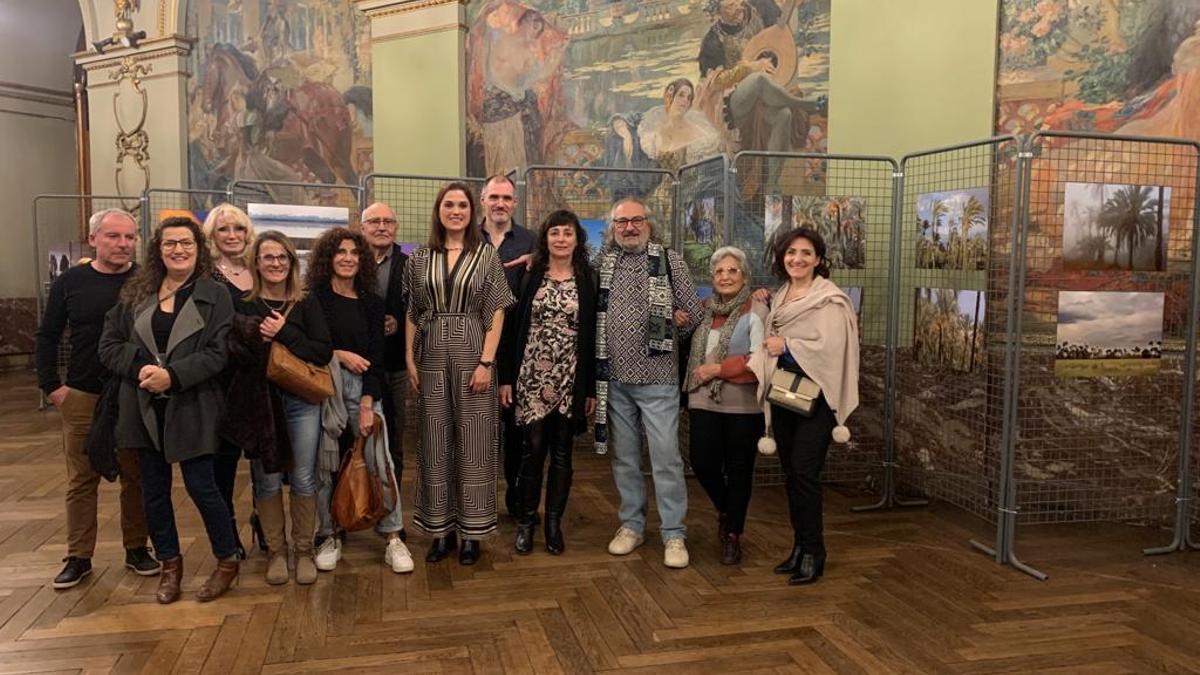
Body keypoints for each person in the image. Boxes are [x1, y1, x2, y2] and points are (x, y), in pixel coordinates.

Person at [98, 217, 238, 604]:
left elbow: (218, 352)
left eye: (187, 244)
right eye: (170, 243)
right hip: (142, 405)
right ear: (158, 250)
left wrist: (173, 377)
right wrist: (140, 368)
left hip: (191, 403)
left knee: (202, 487)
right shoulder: (136, 291)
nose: (179, 250)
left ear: (199, 249)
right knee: (153, 492)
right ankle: (170, 566)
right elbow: (108, 344)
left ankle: (227, 560)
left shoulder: (215, 295)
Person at [36, 208, 157, 589]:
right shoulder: (70, 281)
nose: (122, 244)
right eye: (113, 236)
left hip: (133, 394)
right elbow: (48, 335)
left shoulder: (146, 281)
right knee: (81, 480)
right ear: (93, 239)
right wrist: (52, 387)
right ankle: (79, 555)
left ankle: (137, 548)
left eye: (129, 237)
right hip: (83, 394)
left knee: (135, 476)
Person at [404, 182, 514, 566]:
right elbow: (413, 312)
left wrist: (486, 362)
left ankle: (473, 532)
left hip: (473, 352)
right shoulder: (419, 257)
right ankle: (440, 530)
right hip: (431, 352)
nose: (455, 211)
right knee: (434, 442)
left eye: (462, 205)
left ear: (472, 212)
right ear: (438, 210)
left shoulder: (485, 255)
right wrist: (409, 358)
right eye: (449, 204)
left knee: (476, 443)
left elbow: (496, 310)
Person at [748, 227, 859, 586]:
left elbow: (832, 349)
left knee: (805, 474)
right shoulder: (781, 295)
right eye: (791, 252)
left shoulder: (830, 299)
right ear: (783, 257)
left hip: (819, 399)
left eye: (806, 253)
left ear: (819, 260)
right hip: (786, 393)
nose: (797, 258)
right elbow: (770, 332)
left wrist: (790, 346)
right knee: (792, 475)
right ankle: (799, 547)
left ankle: (814, 552)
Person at [595, 197, 701, 569]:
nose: (629, 227)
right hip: (616, 380)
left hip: (658, 379)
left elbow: (694, 315)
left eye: (636, 220)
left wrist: (674, 319)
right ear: (613, 227)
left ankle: (674, 533)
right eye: (622, 222)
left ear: (648, 224)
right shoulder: (602, 263)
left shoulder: (669, 261)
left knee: (666, 458)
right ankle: (632, 526)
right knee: (625, 457)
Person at [225, 231, 332, 585]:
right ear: (256, 262)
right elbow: (234, 354)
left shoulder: (307, 302)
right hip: (260, 403)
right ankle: (276, 551)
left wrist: (284, 332)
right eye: (268, 257)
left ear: (291, 262)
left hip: (302, 401)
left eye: (282, 257)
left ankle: (303, 550)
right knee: (266, 479)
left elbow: (321, 353)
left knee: (303, 476)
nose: (275, 264)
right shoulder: (243, 303)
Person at [307, 228, 412, 574]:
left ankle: (393, 538)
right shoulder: (314, 299)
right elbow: (304, 344)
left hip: (363, 390)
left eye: (354, 252)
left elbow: (376, 359)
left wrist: (368, 403)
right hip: (322, 389)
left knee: (379, 462)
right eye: (340, 252)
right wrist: (338, 354)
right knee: (326, 467)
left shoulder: (371, 301)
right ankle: (328, 535)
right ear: (328, 258)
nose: (348, 257)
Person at [498, 210, 597, 555]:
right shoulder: (530, 274)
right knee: (532, 449)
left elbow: (593, 336)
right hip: (531, 376)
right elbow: (511, 328)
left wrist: (591, 388)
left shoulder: (588, 278)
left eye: (567, 233)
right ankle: (526, 522)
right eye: (554, 232)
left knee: (562, 452)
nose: (560, 239)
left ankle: (554, 524)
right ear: (546, 238)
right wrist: (506, 378)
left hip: (571, 377)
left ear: (576, 239)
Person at [683, 246, 767, 565]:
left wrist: (719, 369)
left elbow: (760, 359)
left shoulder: (756, 311)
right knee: (702, 462)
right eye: (719, 271)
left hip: (743, 407)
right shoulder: (704, 310)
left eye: (732, 271)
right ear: (712, 277)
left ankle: (733, 534)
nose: (725, 276)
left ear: (744, 276)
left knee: (739, 470)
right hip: (703, 400)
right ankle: (726, 510)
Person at [478, 174, 538, 519]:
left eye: (507, 198)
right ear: (483, 199)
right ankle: (478, 505)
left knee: (517, 433)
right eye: (494, 197)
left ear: (515, 203)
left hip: (518, 348)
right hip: (475, 347)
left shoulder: (532, 241)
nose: (500, 203)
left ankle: (516, 502)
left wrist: (537, 263)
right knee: (478, 432)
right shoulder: (468, 238)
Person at [202, 204, 257, 558]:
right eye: (224, 230)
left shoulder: (260, 269)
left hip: (260, 381)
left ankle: (266, 527)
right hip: (221, 382)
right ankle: (228, 537)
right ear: (212, 236)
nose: (232, 235)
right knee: (222, 464)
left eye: (238, 228)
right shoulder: (204, 276)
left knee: (265, 464)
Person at [697, 0, 813, 155]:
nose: (737, 8)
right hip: (733, 99)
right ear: (717, 11)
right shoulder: (712, 40)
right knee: (757, 78)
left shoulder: (758, 12)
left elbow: (779, 28)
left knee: (784, 116)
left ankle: (772, 178)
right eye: (730, 6)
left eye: (737, 2)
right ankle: (803, 104)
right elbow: (714, 82)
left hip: (765, 93)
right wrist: (748, 67)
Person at [358, 201, 409, 522]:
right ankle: (354, 508)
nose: (381, 227)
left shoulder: (409, 265)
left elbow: (422, 310)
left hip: (397, 365)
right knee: (355, 441)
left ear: (396, 228)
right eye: (373, 221)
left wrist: (399, 323)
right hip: (356, 367)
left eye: (387, 222)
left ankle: (392, 512)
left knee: (396, 440)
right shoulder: (349, 262)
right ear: (361, 227)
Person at [637, 78, 721, 173]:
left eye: (688, 98)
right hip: (665, 184)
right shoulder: (656, 128)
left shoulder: (695, 131)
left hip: (688, 184)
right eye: (681, 95)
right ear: (670, 96)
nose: (685, 100)